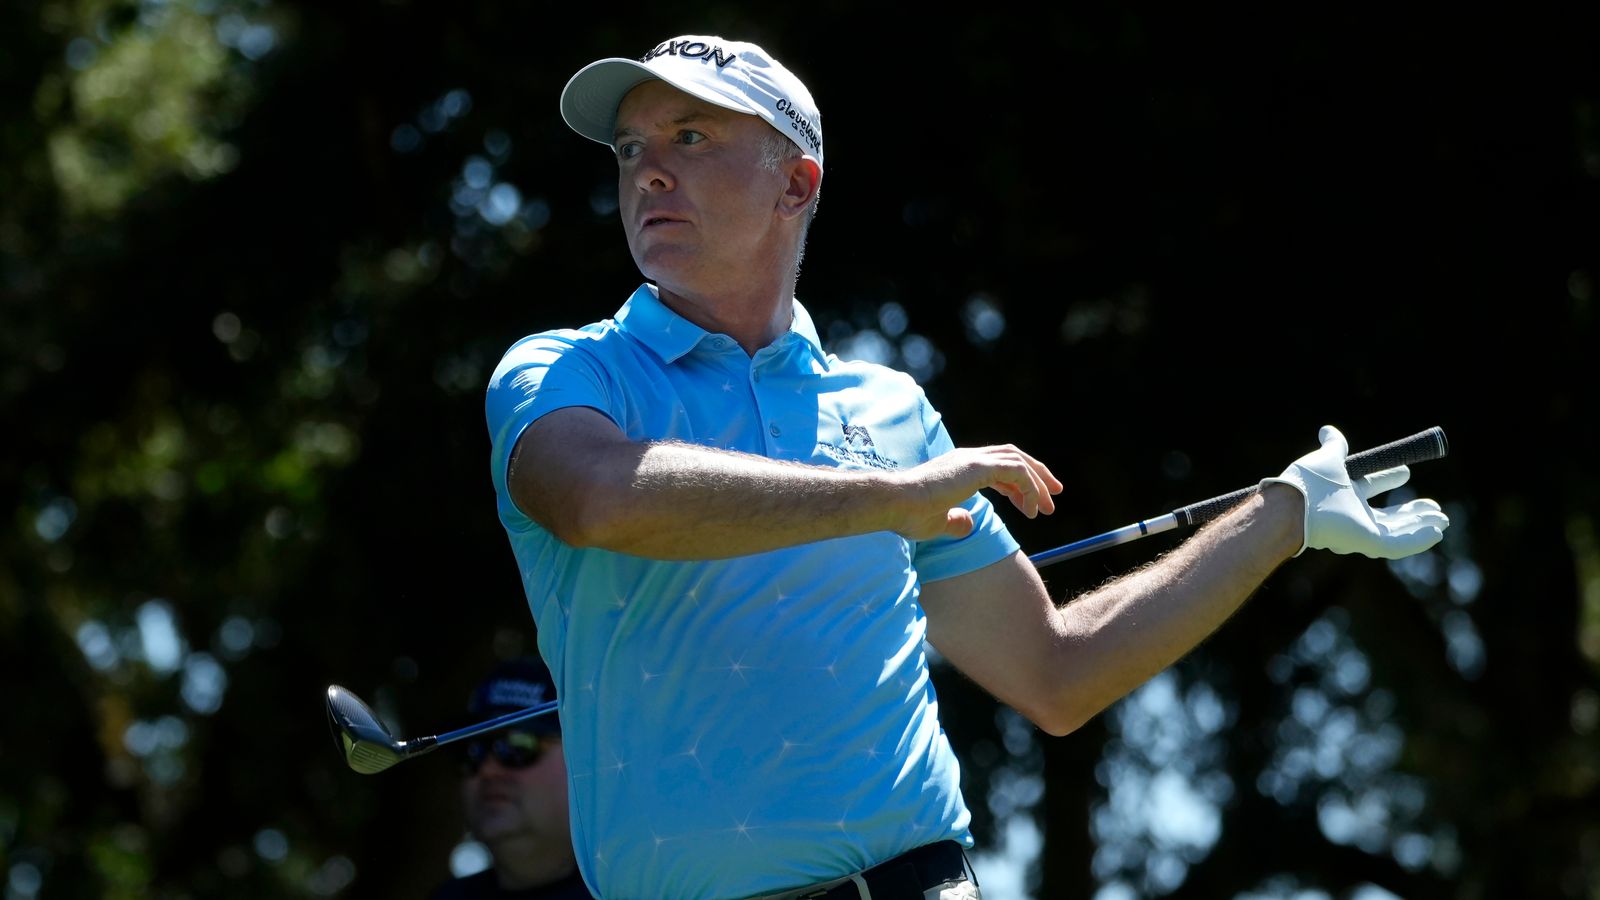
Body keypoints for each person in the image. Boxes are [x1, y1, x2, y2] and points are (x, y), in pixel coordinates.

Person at [482, 34, 1450, 900]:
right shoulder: (566, 372)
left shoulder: (890, 414)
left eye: (689, 137)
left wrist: (1280, 517)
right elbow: (595, 499)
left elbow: (1055, 670)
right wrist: (886, 499)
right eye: (630, 149)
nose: (647, 171)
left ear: (796, 184)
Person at [429, 657, 591, 900]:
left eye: (518, 746)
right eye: (473, 751)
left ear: (584, 759)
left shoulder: (642, 889)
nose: (488, 769)